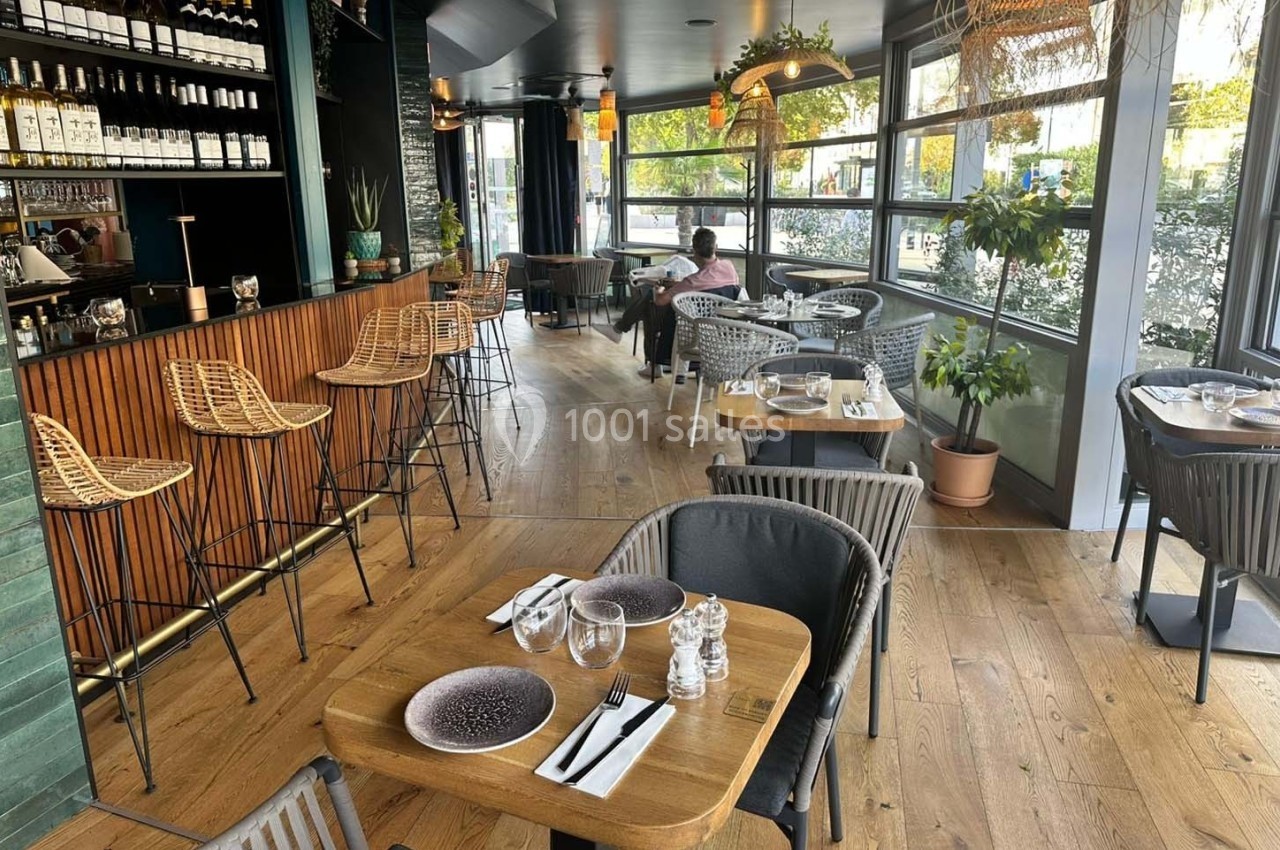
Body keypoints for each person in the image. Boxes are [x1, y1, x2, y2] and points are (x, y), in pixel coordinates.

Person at [598, 228, 740, 376]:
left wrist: (659, 289)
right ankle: (620, 330)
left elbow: (661, 301)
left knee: (651, 304)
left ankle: (651, 361)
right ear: (715, 247)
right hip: (723, 328)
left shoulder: (692, 281)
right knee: (649, 303)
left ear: (694, 250)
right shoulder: (728, 267)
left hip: (691, 330)